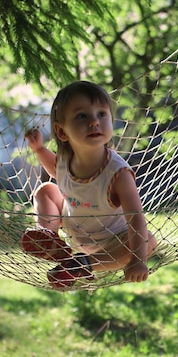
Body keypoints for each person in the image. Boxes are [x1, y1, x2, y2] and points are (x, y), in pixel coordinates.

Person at [21, 81, 157, 289]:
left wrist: (138, 261)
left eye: (102, 114)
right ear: (62, 131)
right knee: (47, 190)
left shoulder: (118, 173)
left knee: (146, 241)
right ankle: (47, 236)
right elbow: (54, 169)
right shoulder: (66, 160)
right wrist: (39, 149)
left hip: (111, 241)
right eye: (82, 116)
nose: (94, 121)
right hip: (72, 229)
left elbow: (136, 218)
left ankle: (80, 265)